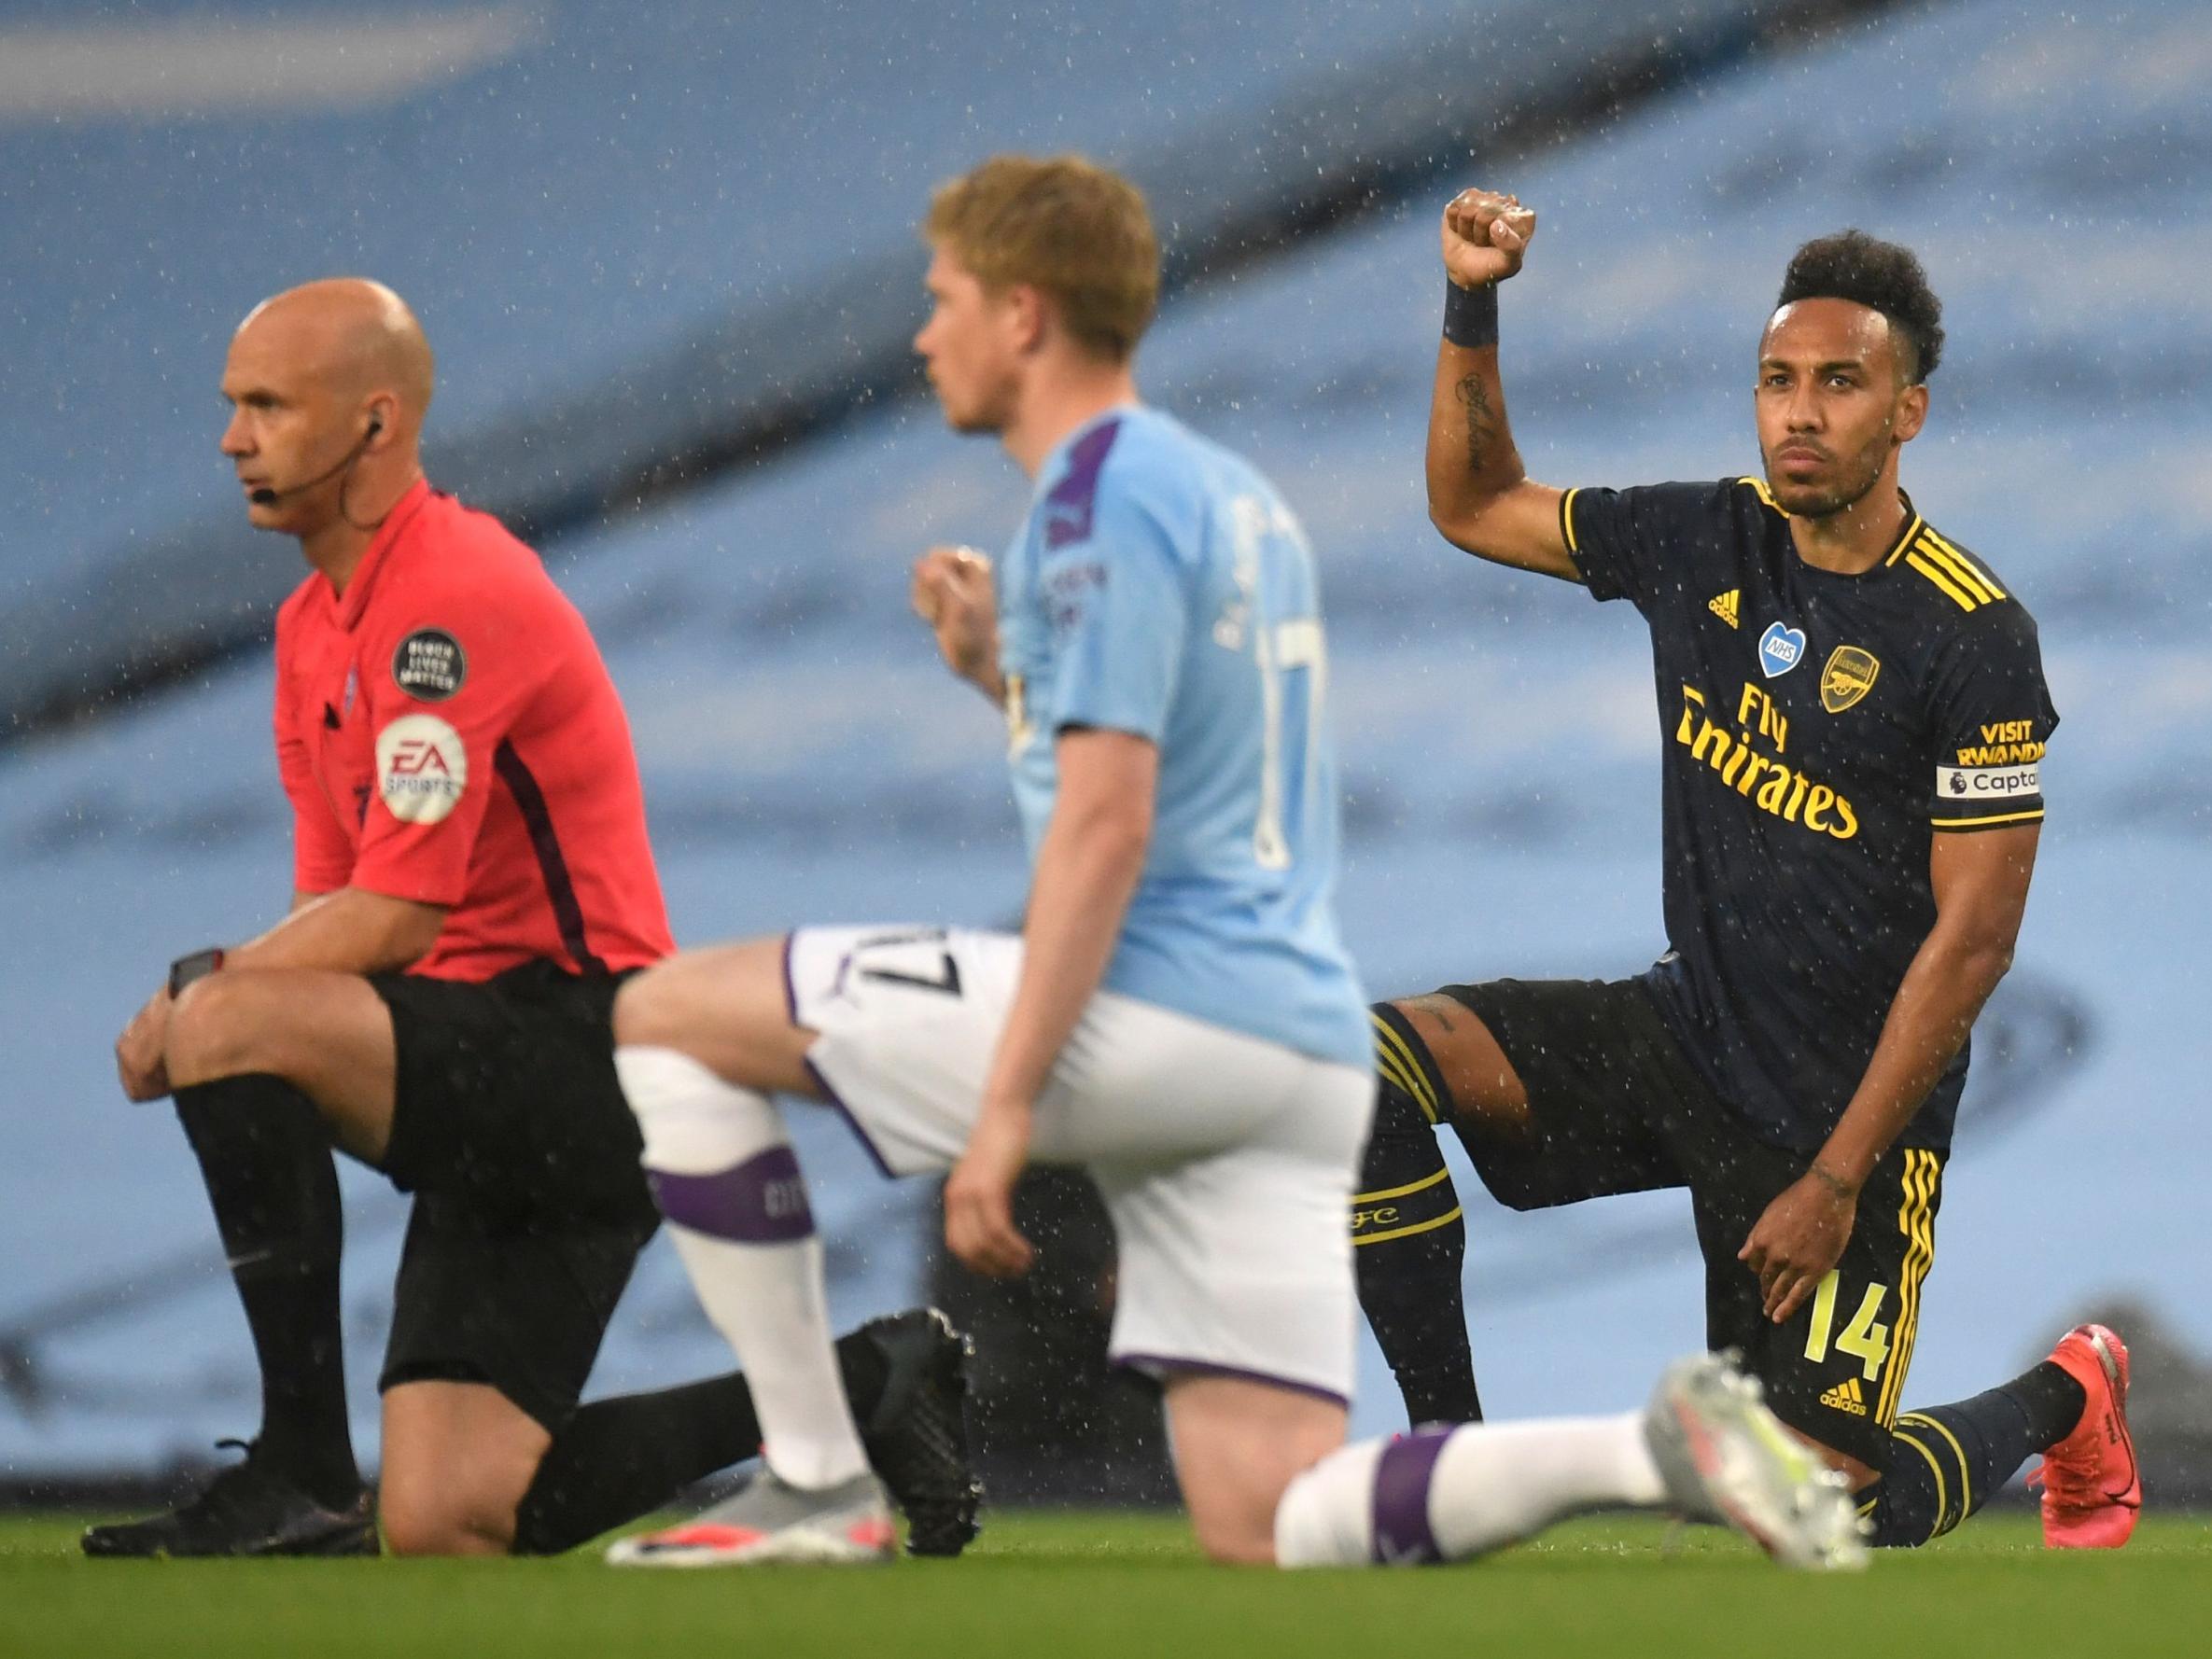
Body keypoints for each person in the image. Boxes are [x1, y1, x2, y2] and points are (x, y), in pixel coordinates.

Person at [600, 155, 1862, 1571]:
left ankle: (819, 1469)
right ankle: (1646, 1448)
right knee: (1268, 1517)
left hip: (1154, 1011)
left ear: (1023, 314)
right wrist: (999, 682)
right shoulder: (1220, 498)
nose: (920, 333)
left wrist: (1005, 1107)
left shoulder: (1095, 499)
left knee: (662, 1016)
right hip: (1285, 1043)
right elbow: (1175, 774)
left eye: (942, 297)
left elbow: (1110, 823)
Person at [87, 279, 979, 1560]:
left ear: (375, 422)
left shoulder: (445, 591)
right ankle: (864, 1383)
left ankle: (297, 1466)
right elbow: (329, 914)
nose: (234, 437)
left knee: (229, 1019)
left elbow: (395, 913)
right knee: (451, 1517)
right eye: (233, 406)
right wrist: (221, 999)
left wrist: (196, 1003)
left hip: (586, 1047)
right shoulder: (307, 629)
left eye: (269, 405)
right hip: (490, 1073)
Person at [1348, 188, 2139, 1551]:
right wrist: (1470, 301)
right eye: (1776, 380)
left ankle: (2069, 1394)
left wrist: (1834, 1179)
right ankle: (1448, 1476)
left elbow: (1973, 943)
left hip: (1850, 1120)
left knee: (1813, 1512)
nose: (1799, 412)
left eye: (1840, 383)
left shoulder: (1972, 634)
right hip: (1686, 1040)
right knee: (1358, 1063)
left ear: (1908, 412)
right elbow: (1472, 502)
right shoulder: (1701, 539)